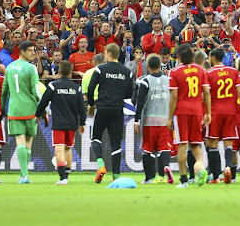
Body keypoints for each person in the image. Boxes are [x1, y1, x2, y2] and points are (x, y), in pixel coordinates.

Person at [86, 43, 133, 183]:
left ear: (109, 54)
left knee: (96, 138)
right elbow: (130, 93)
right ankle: (116, 177)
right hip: (118, 110)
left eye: (105, 53)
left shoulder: (100, 69)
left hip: (102, 108)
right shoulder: (127, 72)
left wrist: (91, 105)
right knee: (116, 143)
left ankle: (101, 166)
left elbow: (90, 89)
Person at [36, 60, 87, 185]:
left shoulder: (53, 86)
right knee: (68, 149)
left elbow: (43, 102)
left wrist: (37, 115)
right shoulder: (77, 88)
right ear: (70, 73)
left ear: (59, 72)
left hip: (58, 122)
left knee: (59, 149)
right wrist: (82, 123)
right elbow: (82, 107)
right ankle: (66, 176)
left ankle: (62, 177)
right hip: (72, 123)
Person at [168, 43, 211, 187]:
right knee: (195, 145)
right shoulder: (200, 70)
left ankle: (184, 180)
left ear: (178, 56)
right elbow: (206, 92)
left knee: (181, 145)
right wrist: (208, 113)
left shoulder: (174, 72)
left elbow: (174, 97)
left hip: (181, 112)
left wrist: (169, 117)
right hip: (196, 111)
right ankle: (201, 167)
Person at [205, 47, 240, 184]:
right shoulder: (233, 72)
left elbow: (205, 93)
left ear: (213, 58)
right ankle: (228, 167)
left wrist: (207, 112)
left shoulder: (209, 73)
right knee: (229, 143)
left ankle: (216, 176)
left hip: (215, 111)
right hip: (230, 112)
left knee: (213, 144)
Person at [0, 40, 41, 184]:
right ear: (22, 51)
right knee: (27, 143)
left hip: (15, 110)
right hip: (30, 109)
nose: (33, 53)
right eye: (30, 50)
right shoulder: (31, 68)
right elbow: (36, 92)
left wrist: (2, 109)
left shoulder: (9, 68)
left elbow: (4, 91)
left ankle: (23, 175)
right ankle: (25, 175)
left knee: (21, 142)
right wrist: (43, 109)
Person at [134, 54, 174, 185]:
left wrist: (136, 120)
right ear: (159, 66)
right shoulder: (168, 80)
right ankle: (166, 168)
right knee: (164, 148)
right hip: (165, 119)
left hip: (149, 120)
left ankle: (149, 178)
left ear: (148, 66)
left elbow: (140, 102)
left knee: (148, 149)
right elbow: (174, 98)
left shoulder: (145, 81)